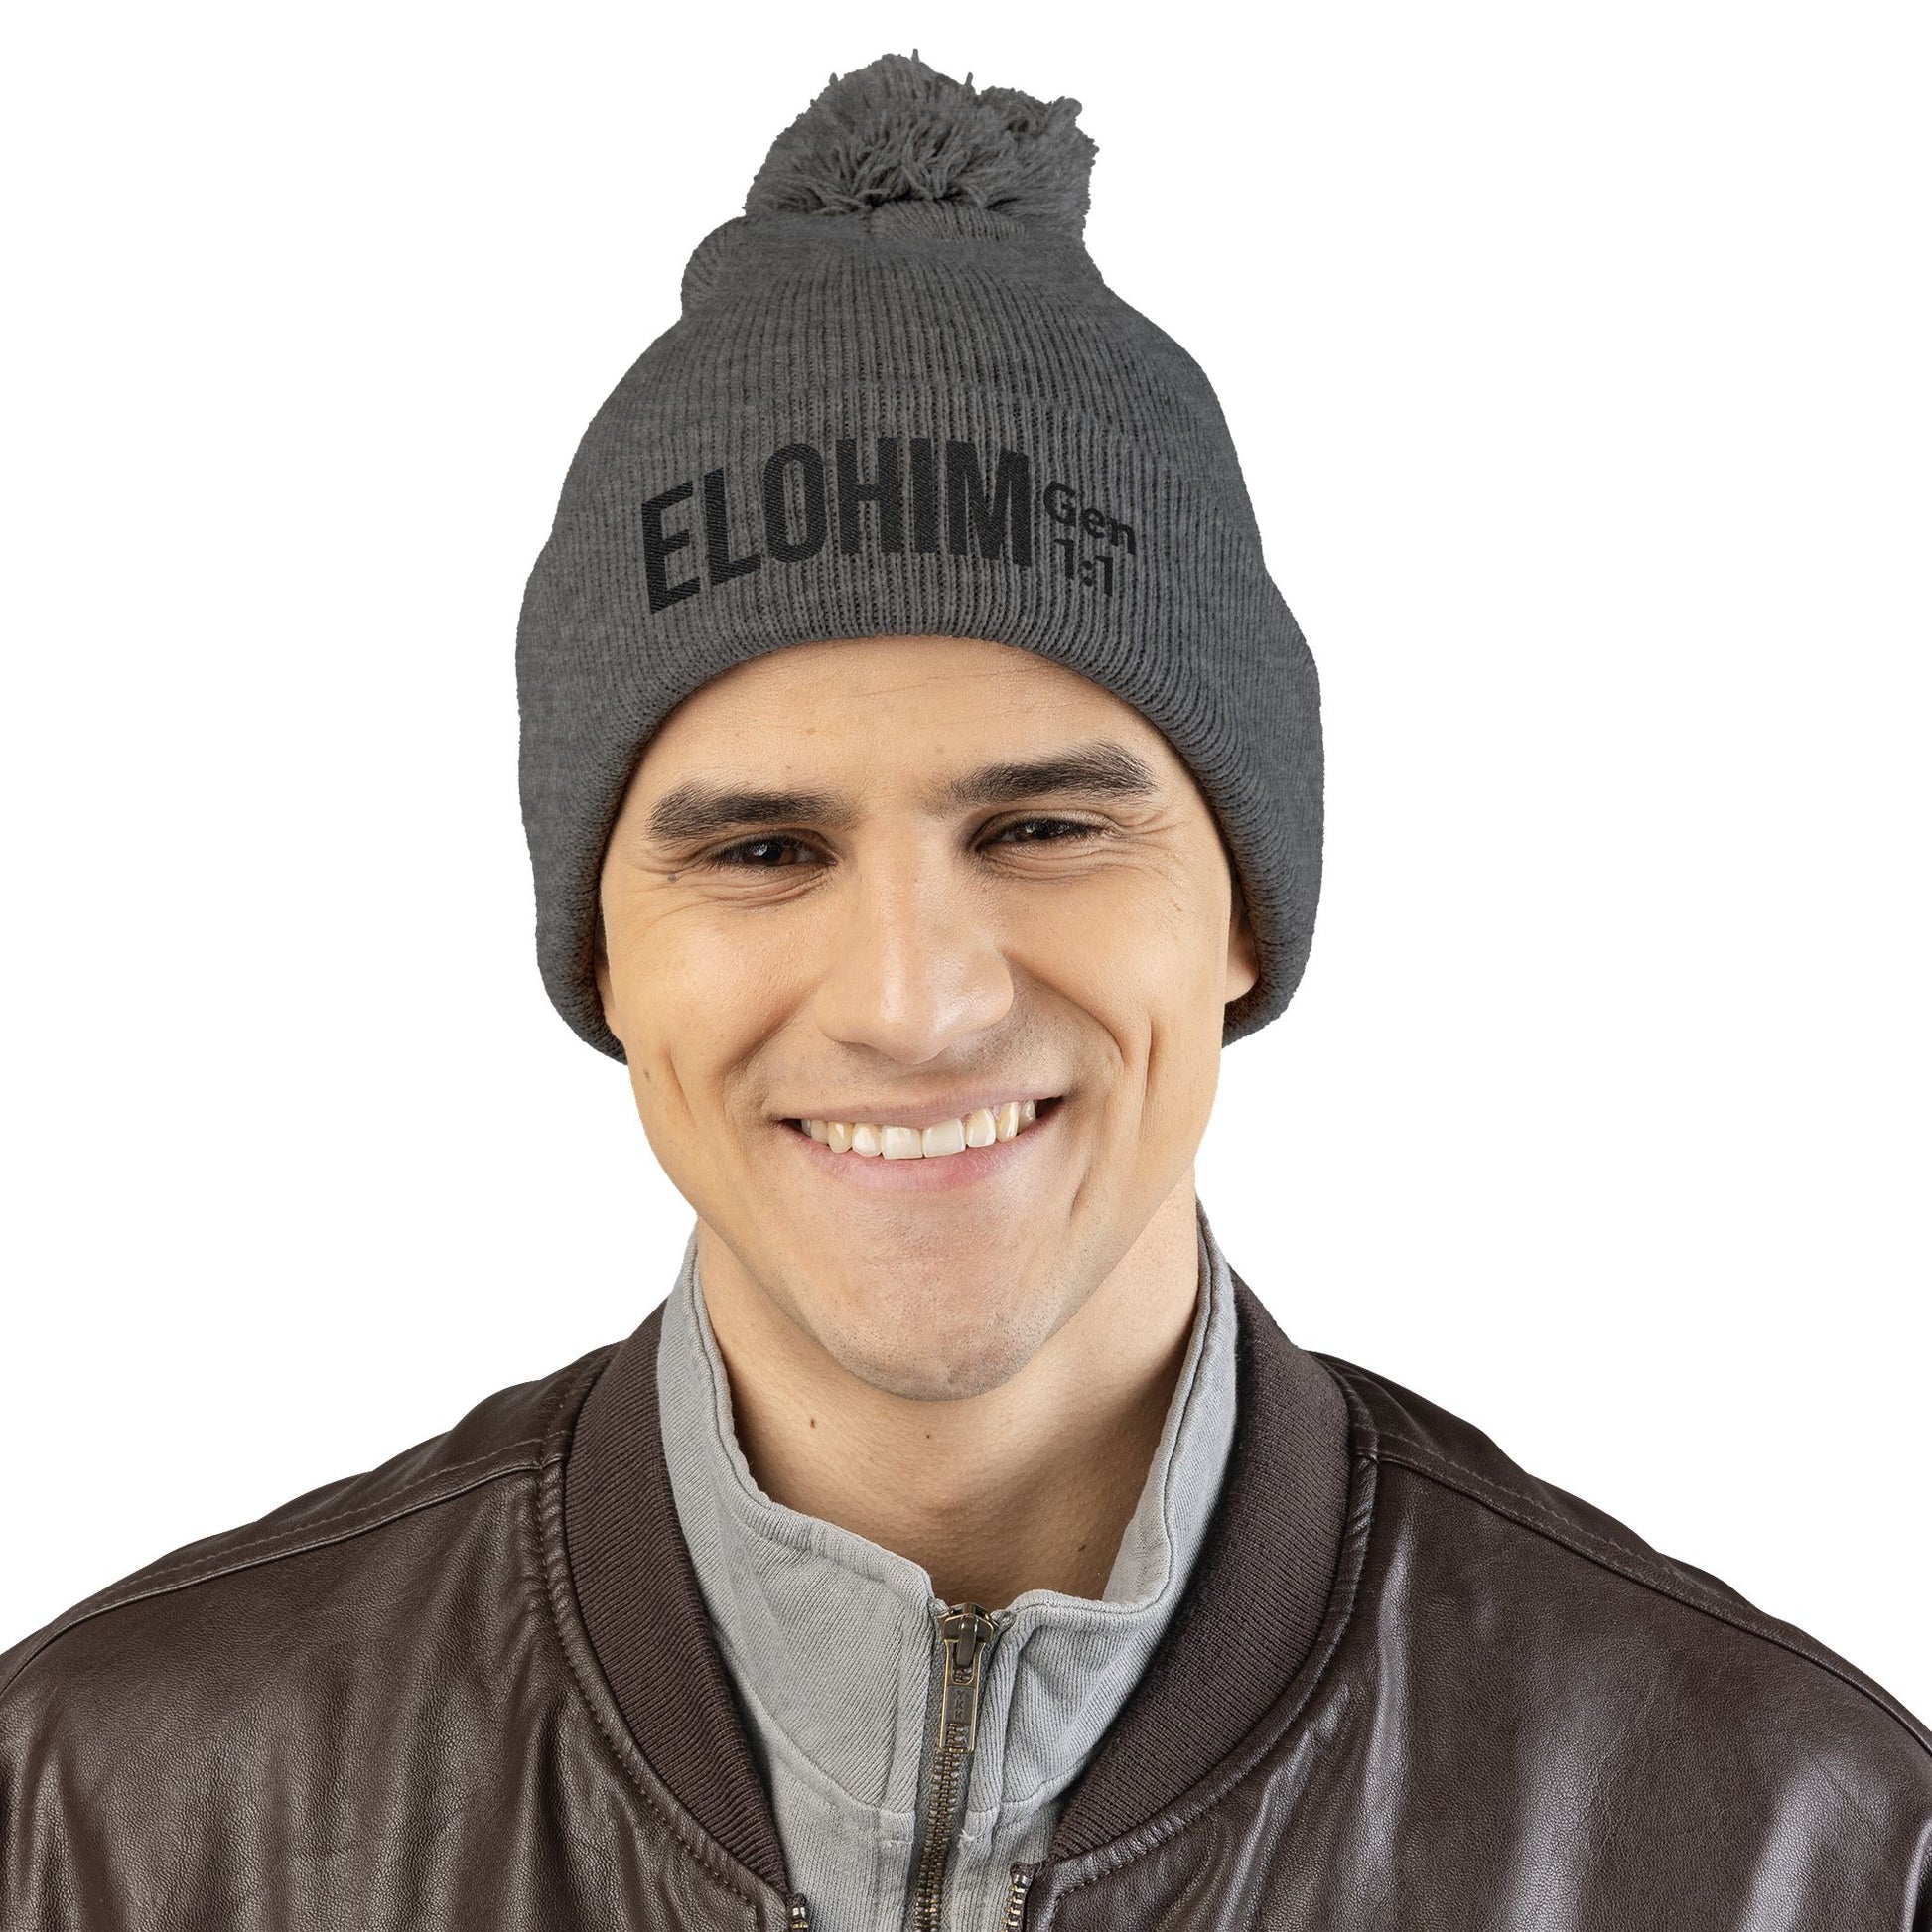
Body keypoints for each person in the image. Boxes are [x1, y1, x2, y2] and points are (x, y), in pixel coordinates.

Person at [2, 49, 1925, 1932]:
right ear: (599, 952)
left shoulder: (1791, 1852)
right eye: (763, 851)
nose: (912, 1003)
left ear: (1244, 909)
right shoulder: (104, 1815)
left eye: (1042, 830)